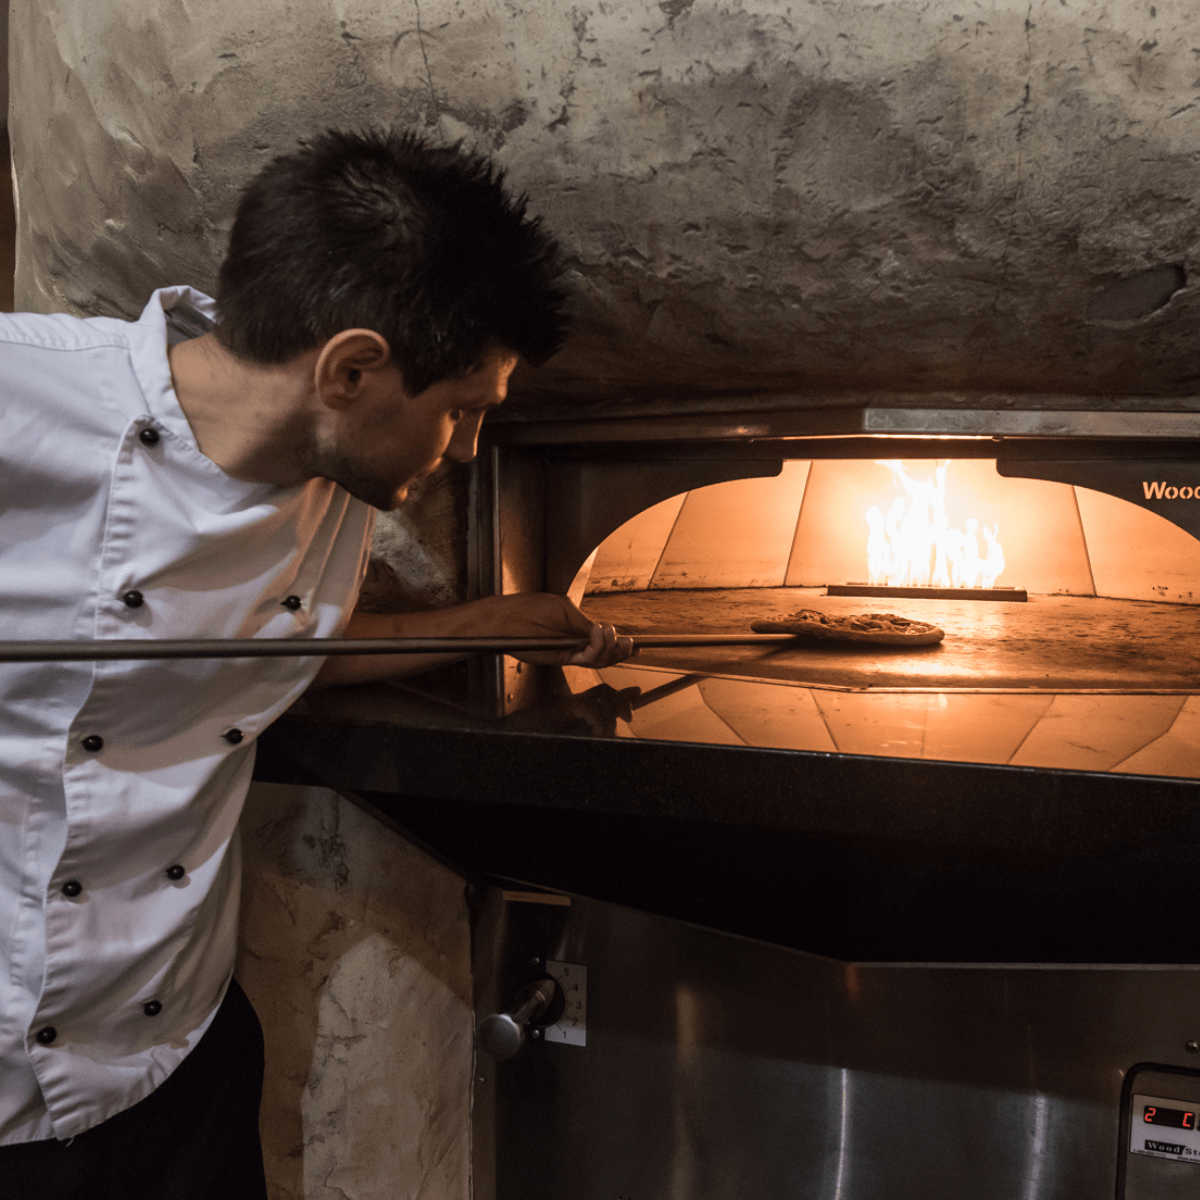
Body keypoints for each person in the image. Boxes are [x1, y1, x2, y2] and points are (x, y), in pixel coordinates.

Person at [0, 127, 631, 1199]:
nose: (468, 448)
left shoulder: (331, 477)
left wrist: (484, 623)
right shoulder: (26, 395)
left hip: (174, 1053)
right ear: (350, 370)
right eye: (462, 411)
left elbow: (257, 649)